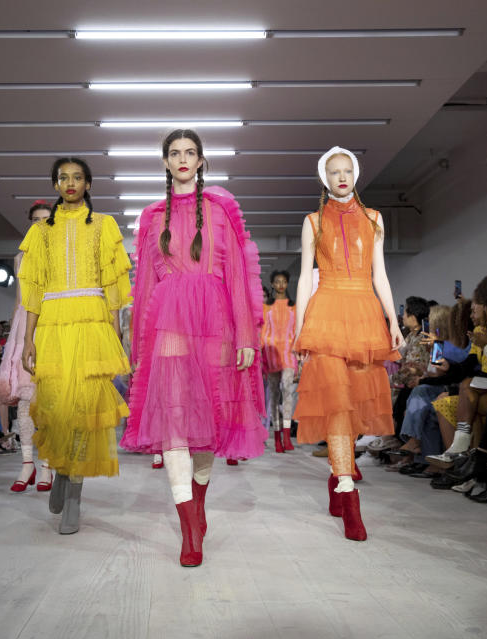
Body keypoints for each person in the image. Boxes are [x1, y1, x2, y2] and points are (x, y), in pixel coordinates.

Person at [122, 129, 265, 567]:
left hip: (217, 322)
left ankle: (197, 507)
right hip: (168, 323)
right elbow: (144, 282)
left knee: (209, 425)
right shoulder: (151, 217)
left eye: (190, 152)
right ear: (165, 162)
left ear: (201, 160)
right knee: (177, 421)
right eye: (174, 153)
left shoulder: (221, 210)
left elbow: (239, 276)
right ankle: (189, 530)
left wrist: (246, 334)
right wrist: (138, 345)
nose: (182, 159)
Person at [292, 146, 404, 541]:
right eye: (334, 172)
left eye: (347, 170)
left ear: (356, 174)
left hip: (364, 316)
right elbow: (306, 278)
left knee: (356, 402)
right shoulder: (312, 220)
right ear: (325, 178)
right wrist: (300, 327)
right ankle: (346, 488)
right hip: (326, 315)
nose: (342, 177)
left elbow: (381, 275)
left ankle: (338, 473)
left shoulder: (374, 219)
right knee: (337, 403)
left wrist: (393, 321)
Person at [20, 158, 131, 535]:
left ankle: (73, 497)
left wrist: (114, 335)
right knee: (56, 407)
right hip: (52, 325)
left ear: (88, 184)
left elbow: (114, 285)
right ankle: (63, 475)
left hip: (91, 321)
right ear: (55, 184)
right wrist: (26, 340)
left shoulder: (103, 225)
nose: (70, 183)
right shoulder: (40, 233)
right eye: (63, 178)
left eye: (78, 177)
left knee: (83, 409)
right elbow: (32, 290)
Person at [0, 201, 49, 492]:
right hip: (26, 326)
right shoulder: (20, 258)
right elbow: (19, 301)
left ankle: (46, 465)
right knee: (25, 403)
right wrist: (12, 340)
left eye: (46, 220)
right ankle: (27, 464)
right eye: (35, 220)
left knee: (47, 402)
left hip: (52, 326)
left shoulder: (61, 256)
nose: (40, 224)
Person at [262, 270, 297, 453]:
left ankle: (286, 436)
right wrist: (262, 353)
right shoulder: (266, 307)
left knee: (287, 390)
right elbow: (262, 331)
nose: (281, 285)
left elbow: (298, 330)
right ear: (273, 284)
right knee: (274, 395)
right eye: (277, 282)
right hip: (271, 352)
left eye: (284, 281)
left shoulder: (294, 306)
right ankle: (276, 437)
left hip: (289, 353)